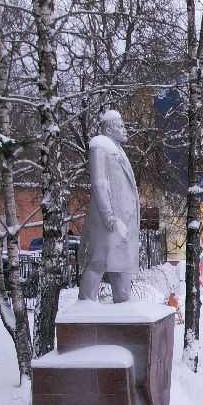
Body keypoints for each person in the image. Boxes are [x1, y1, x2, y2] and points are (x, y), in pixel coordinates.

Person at [77, 110, 139, 304]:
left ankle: (124, 303)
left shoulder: (118, 150)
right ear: (109, 129)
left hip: (123, 219)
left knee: (120, 264)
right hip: (110, 218)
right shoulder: (100, 146)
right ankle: (85, 303)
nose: (125, 130)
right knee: (99, 260)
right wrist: (108, 214)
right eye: (121, 126)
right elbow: (99, 182)